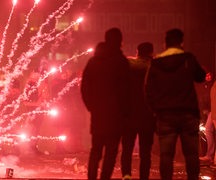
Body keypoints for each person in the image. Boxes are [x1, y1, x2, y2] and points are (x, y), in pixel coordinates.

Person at [144, 28, 206, 180]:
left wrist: (155, 110)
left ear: (165, 43)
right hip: (188, 113)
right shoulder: (188, 59)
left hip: (165, 115)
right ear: (181, 43)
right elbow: (200, 77)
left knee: (166, 155)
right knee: (191, 155)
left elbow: (148, 89)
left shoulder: (156, 63)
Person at [81, 27, 130, 180]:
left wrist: (92, 106)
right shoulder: (121, 62)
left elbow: (85, 87)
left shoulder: (94, 61)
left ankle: (92, 178)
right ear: (120, 41)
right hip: (116, 116)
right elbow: (127, 90)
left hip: (98, 114)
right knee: (111, 152)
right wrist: (124, 111)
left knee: (96, 150)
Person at [121, 42, 155, 180]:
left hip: (128, 114)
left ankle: (126, 176)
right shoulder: (154, 68)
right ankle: (144, 177)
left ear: (137, 52)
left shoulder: (126, 66)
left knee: (127, 150)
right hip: (147, 115)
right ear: (151, 53)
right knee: (145, 152)